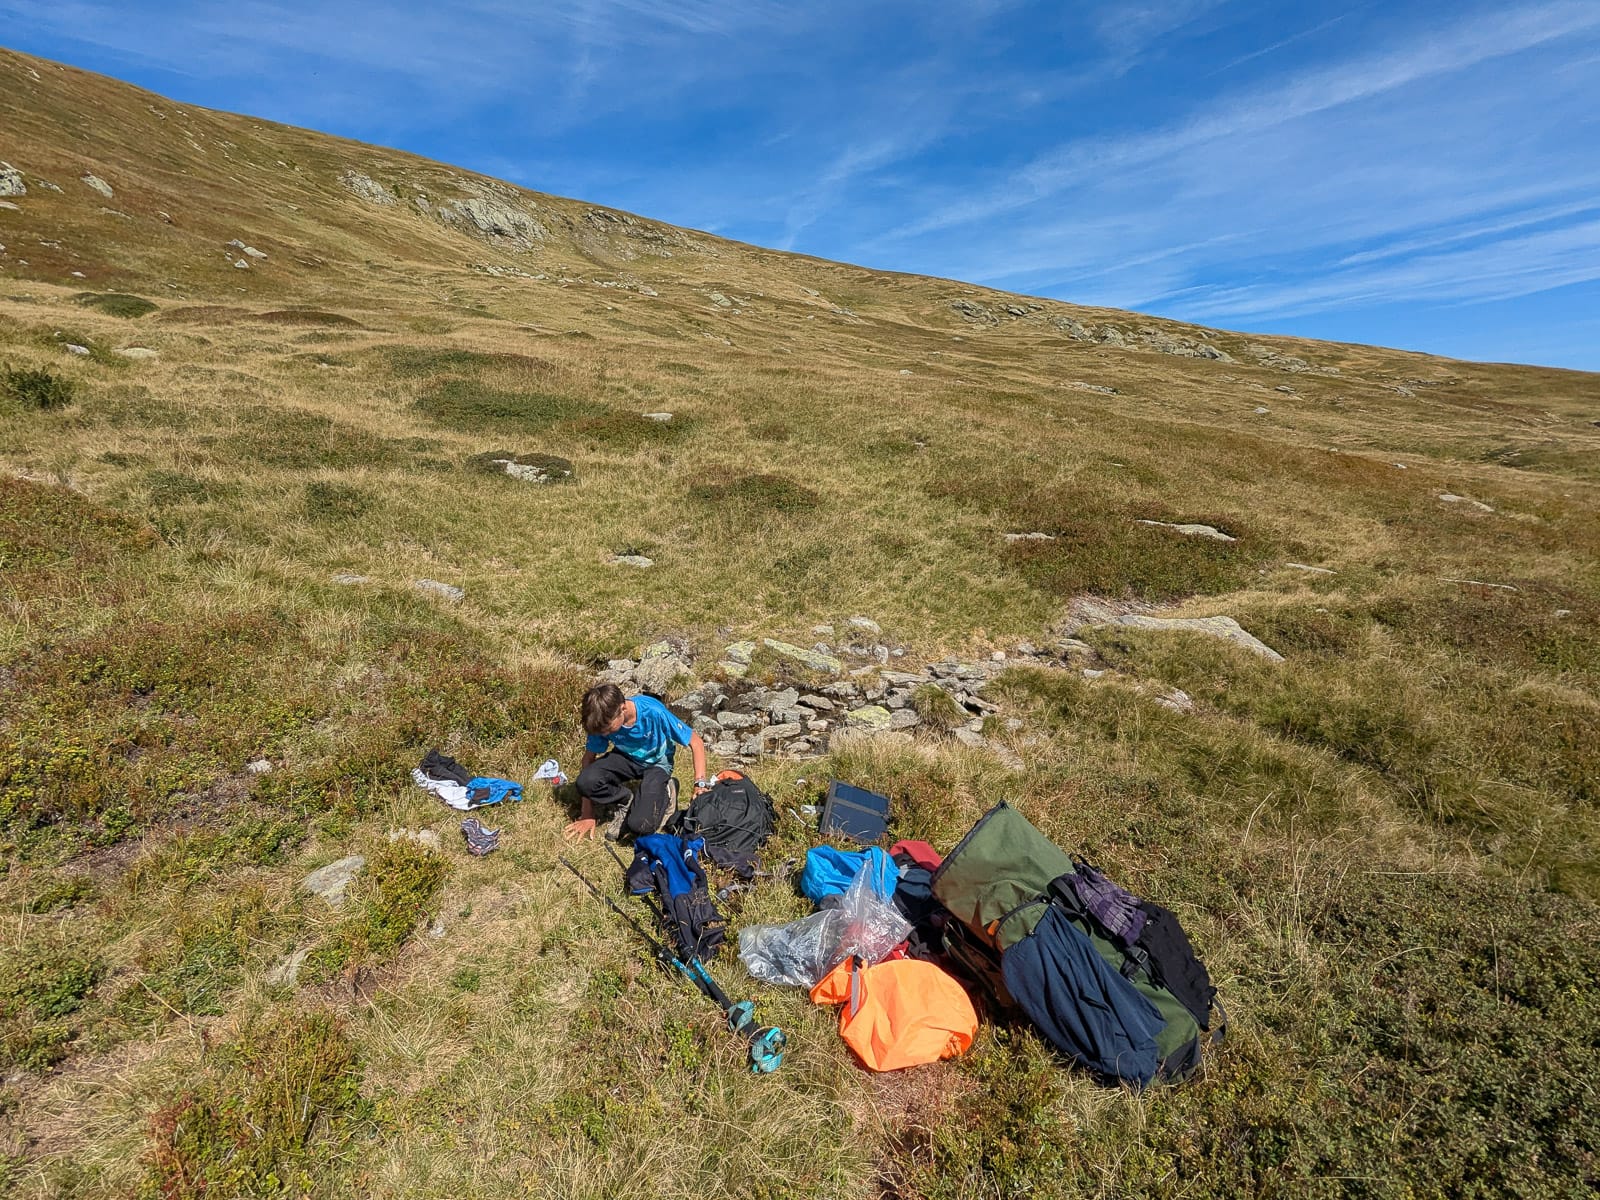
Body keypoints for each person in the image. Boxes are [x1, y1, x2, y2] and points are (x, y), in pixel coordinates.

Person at [562, 683, 711, 841]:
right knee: (585, 781)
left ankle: (668, 790)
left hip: (657, 763)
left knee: (641, 825)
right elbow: (588, 759)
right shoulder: (602, 719)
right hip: (625, 756)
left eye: (608, 729)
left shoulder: (653, 711)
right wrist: (587, 813)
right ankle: (626, 799)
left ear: (622, 709)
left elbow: (696, 742)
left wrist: (700, 784)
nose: (604, 733)